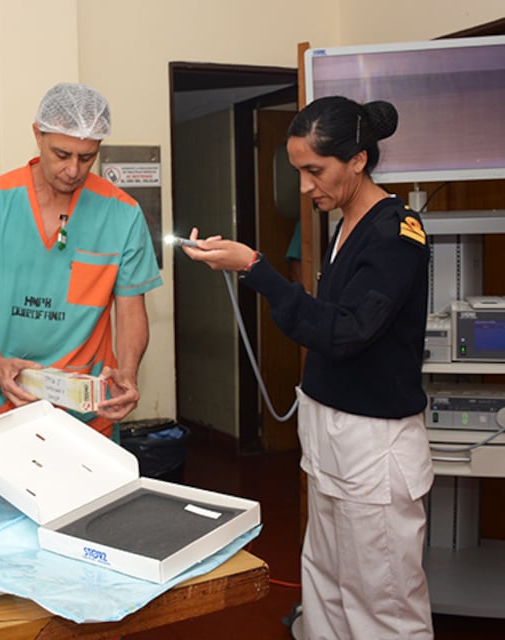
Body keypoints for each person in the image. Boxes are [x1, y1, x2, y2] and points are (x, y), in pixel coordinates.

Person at [182, 96, 433, 639]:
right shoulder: (345, 224)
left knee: (381, 598)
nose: (304, 186)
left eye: (314, 170)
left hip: (372, 442)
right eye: (299, 170)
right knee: (326, 580)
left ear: (359, 160)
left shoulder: (396, 235)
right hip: (331, 434)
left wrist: (256, 268)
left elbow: (346, 331)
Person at [0, 82, 162, 439]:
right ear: (38, 134)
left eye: (87, 158)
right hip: (9, 400)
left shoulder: (122, 214)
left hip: (89, 411)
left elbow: (131, 309)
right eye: (62, 154)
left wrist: (128, 371)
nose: (73, 170)